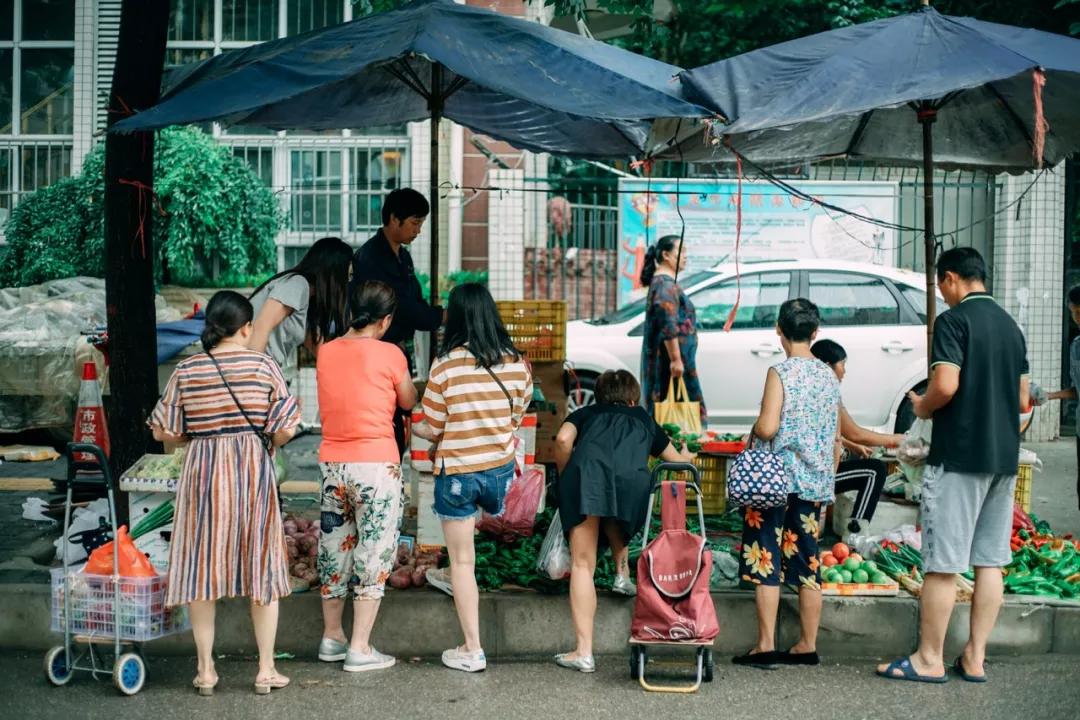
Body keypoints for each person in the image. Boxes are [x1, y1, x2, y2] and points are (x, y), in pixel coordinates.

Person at [877, 247, 1029, 684]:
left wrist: (923, 407)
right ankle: (974, 658)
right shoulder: (1011, 327)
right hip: (1003, 460)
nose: (942, 296)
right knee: (990, 561)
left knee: (943, 564)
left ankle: (928, 659)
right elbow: (1022, 401)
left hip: (960, 455)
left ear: (949, 279)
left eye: (941, 287)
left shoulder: (954, 321)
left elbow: (945, 384)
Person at [149, 291, 300, 696]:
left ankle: (205, 670)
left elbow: (167, 430)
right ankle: (266, 669)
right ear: (247, 327)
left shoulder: (188, 370)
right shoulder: (264, 365)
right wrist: (267, 442)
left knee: (202, 567)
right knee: (261, 566)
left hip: (202, 474)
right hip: (252, 471)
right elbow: (286, 427)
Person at [418, 284, 532, 673]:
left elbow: (431, 425)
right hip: (498, 475)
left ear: (456, 316)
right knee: (475, 547)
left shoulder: (446, 364)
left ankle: (472, 648)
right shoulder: (516, 363)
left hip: (458, 473)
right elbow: (516, 417)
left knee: (462, 561)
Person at [551, 369, 694, 673]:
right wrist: (687, 454)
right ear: (633, 397)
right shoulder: (642, 418)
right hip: (631, 484)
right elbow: (675, 461)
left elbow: (563, 439)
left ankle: (584, 653)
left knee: (582, 565)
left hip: (585, 478)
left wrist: (565, 477)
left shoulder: (587, 412)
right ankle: (621, 573)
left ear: (600, 394)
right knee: (614, 507)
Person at [314, 281, 417, 673]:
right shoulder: (391, 354)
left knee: (335, 549)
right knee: (374, 552)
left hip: (332, 465)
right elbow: (407, 401)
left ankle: (332, 636)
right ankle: (359, 647)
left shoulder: (326, 352)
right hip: (375, 466)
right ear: (386, 319)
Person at [734, 298, 841, 669]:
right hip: (813, 483)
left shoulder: (779, 373)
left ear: (779, 330)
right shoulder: (829, 375)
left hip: (773, 483)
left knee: (766, 557)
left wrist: (753, 429)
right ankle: (806, 645)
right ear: (815, 333)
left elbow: (768, 427)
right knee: (808, 562)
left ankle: (765, 645)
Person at [352, 188, 444, 456]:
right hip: (375, 352)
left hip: (396, 348)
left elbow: (413, 298)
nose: (418, 230)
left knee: (398, 416)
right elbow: (403, 307)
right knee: (382, 418)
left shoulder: (402, 256)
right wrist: (438, 316)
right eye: (415, 223)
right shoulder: (370, 258)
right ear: (394, 219)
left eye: (421, 224)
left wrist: (432, 315)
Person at [811, 339, 904, 533]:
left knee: (870, 468)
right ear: (828, 366)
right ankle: (856, 534)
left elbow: (829, 432)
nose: (844, 371)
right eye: (842, 364)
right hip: (816, 477)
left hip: (806, 472)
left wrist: (851, 445)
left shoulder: (810, 388)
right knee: (874, 471)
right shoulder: (827, 392)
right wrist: (895, 439)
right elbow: (855, 432)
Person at [249, 236, 353, 378]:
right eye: (348, 275)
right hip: (251, 373)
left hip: (267, 373)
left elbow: (321, 351)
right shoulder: (297, 284)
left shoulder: (309, 300)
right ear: (334, 274)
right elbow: (261, 326)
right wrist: (250, 379)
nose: (348, 282)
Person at [640, 234, 707, 427]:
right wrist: (676, 360)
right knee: (678, 423)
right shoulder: (665, 286)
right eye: (682, 251)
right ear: (666, 255)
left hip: (669, 363)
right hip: (670, 366)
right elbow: (668, 324)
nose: (685, 256)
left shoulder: (662, 283)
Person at [1032, 285, 1080, 511]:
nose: (1078, 318)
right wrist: (1049, 396)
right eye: (1075, 313)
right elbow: (1077, 389)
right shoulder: (1076, 346)